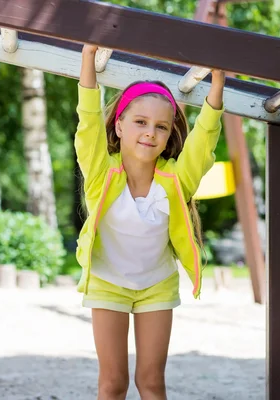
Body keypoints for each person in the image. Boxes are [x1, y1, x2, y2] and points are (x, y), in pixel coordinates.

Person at [75, 43, 225, 400]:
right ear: (120, 125)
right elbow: (88, 123)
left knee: (152, 382)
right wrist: (87, 61)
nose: (150, 132)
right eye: (140, 122)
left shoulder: (175, 180)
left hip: (157, 286)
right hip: (107, 284)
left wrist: (217, 87)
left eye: (161, 126)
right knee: (113, 383)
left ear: (169, 133)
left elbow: (202, 144)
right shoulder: (101, 173)